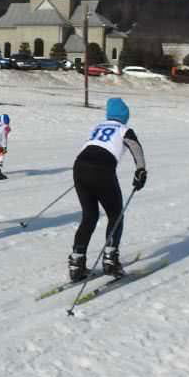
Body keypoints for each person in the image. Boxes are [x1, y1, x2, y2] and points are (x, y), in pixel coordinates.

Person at [68, 97, 147, 282]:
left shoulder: (98, 127)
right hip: (101, 170)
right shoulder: (124, 129)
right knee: (115, 214)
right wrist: (141, 170)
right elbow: (135, 147)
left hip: (80, 166)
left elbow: (93, 146)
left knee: (89, 216)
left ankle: (76, 264)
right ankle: (110, 261)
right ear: (124, 115)